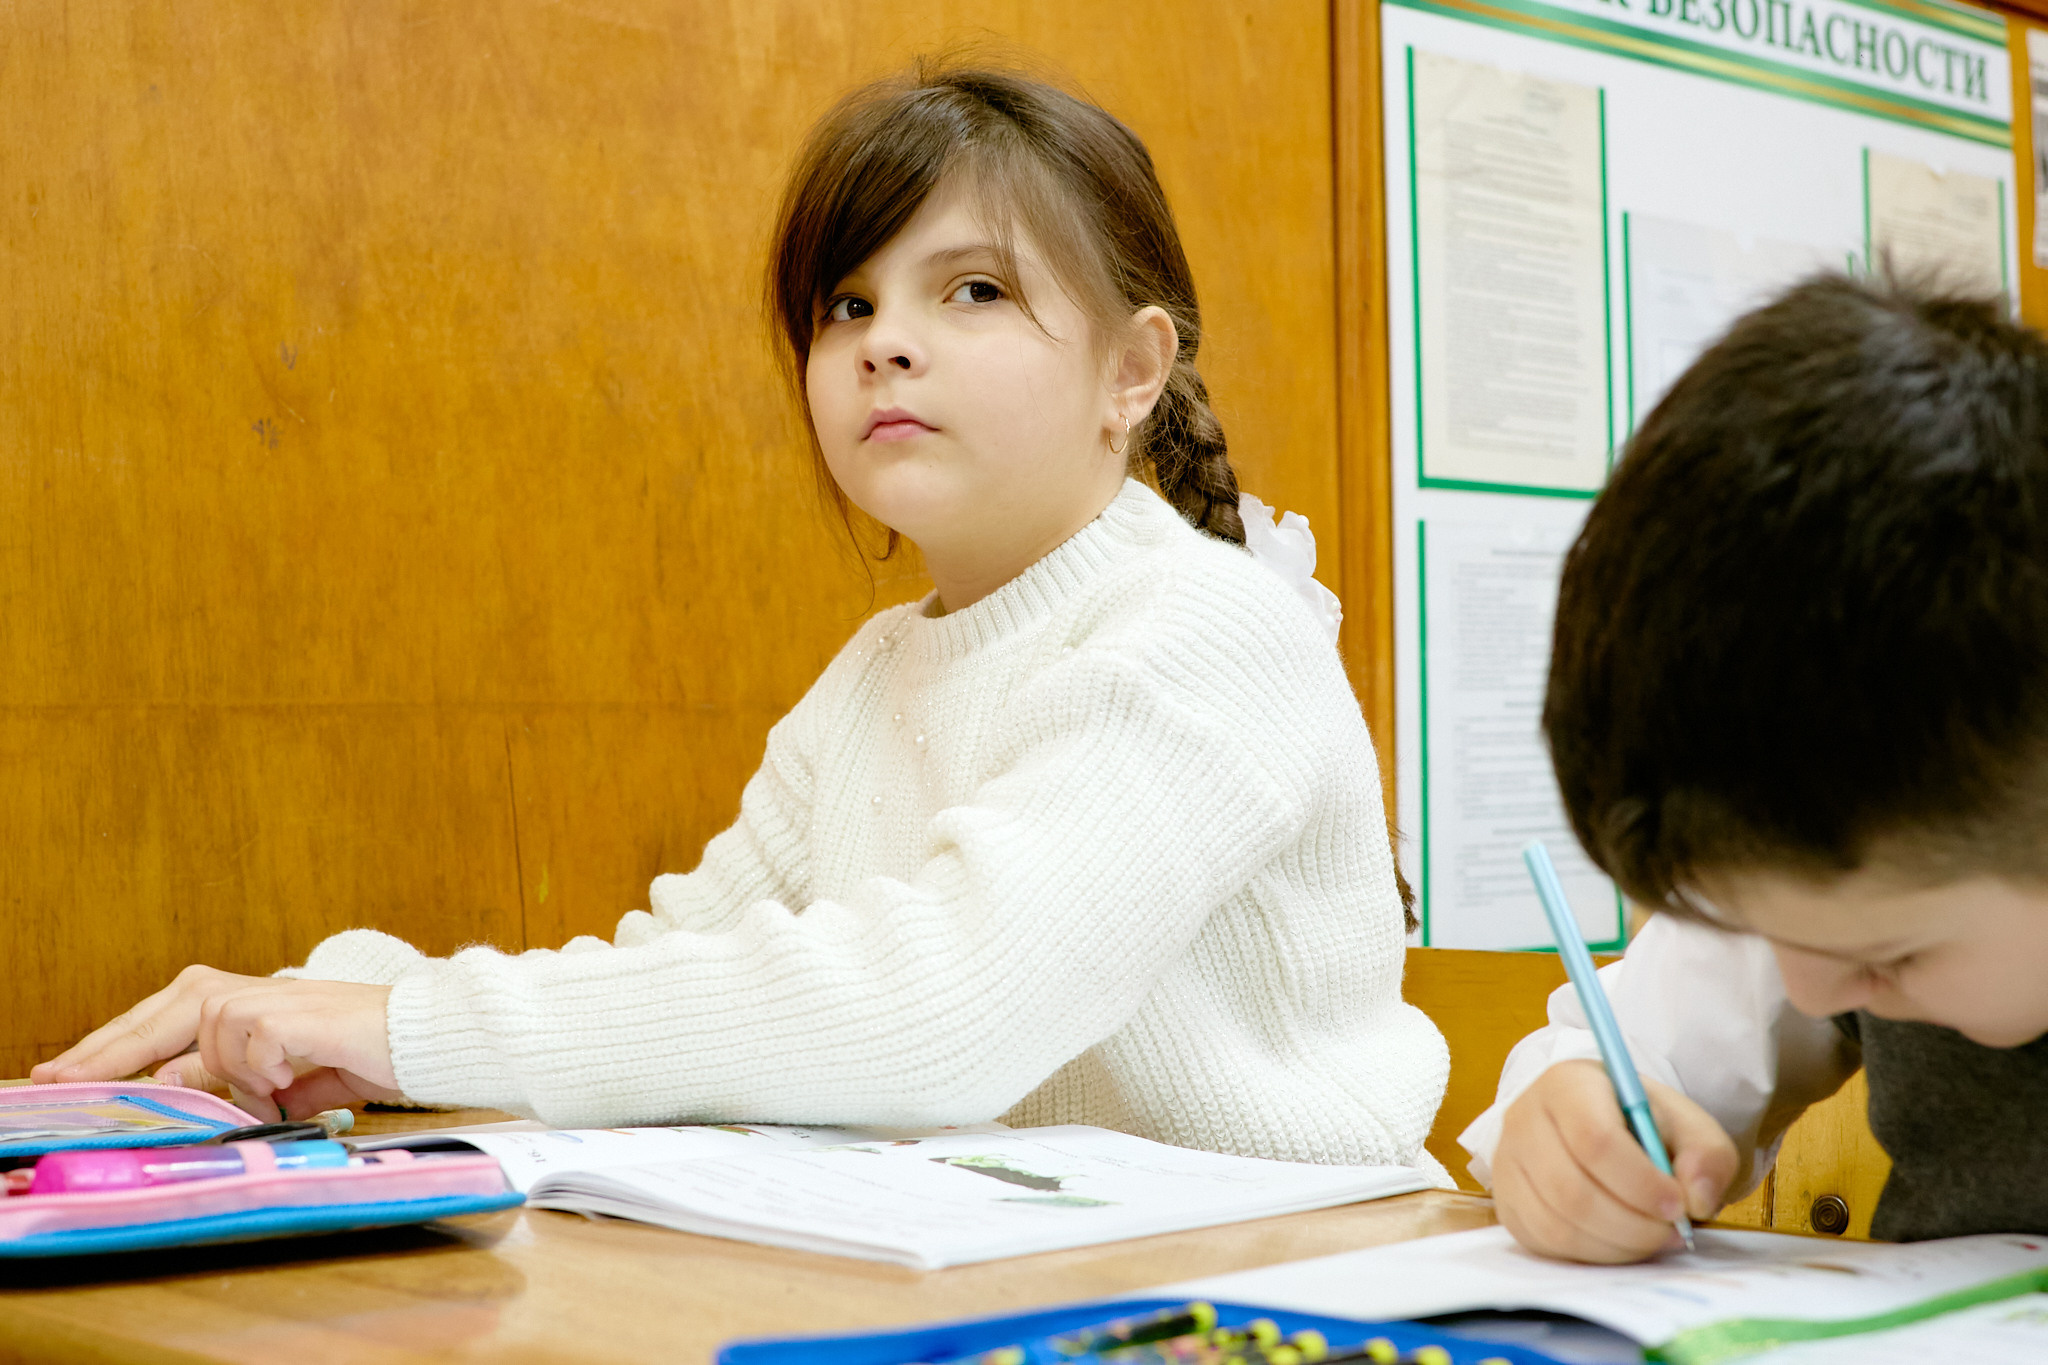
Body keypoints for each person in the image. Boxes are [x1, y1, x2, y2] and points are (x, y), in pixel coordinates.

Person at [36, 63, 1449, 1174]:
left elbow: (948, 1006)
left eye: (973, 289)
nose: (885, 339)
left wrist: (396, 1025)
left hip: (1284, 1297)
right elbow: (674, 998)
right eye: (847, 302)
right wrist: (320, 1004)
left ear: (1133, 371)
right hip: (1007, 1275)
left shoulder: (1215, 627)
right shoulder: (877, 674)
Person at [1460, 272, 2048, 1260]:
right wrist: (1571, 1122)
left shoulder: (1943, 783)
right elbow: (1624, 1054)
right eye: (1757, 927)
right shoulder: (1828, 858)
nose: (1812, 993)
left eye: (1886, 959)